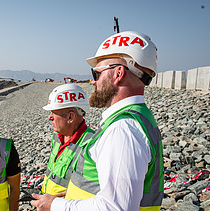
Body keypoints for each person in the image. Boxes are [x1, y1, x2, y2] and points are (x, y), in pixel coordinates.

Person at [31, 31, 163, 210]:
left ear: (118, 73)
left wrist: (55, 205)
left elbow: (116, 207)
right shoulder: (136, 121)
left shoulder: (122, 130)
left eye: (97, 73)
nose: (93, 82)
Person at [41, 84, 95, 195]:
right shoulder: (57, 136)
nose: (49, 117)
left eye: (53, 113)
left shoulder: (92, 144)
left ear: (70, 117)